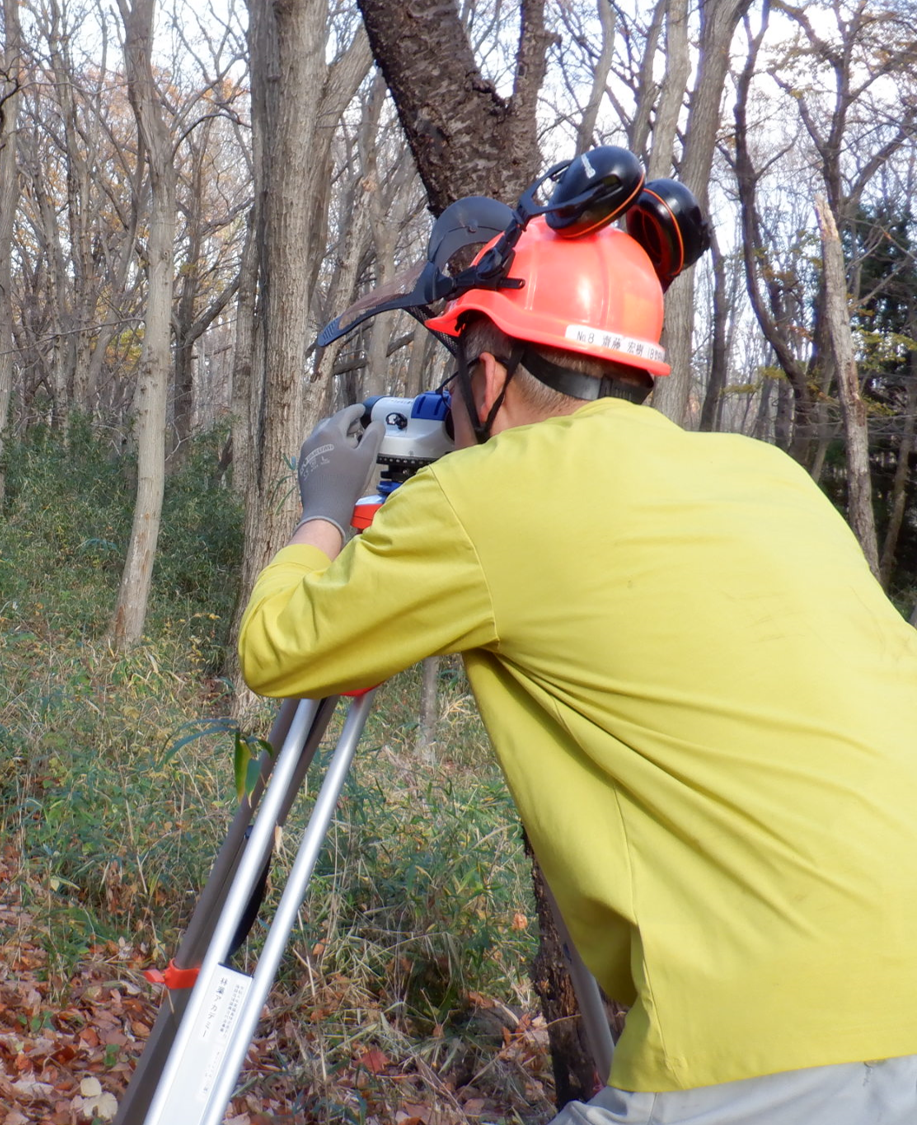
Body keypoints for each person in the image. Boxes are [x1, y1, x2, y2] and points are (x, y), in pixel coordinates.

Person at [237, 217, 917, 1123]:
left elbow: (276, 646)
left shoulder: (484, 495)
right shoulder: (770, 474)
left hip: (762, 1040)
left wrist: (326, 504)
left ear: (487, 371)